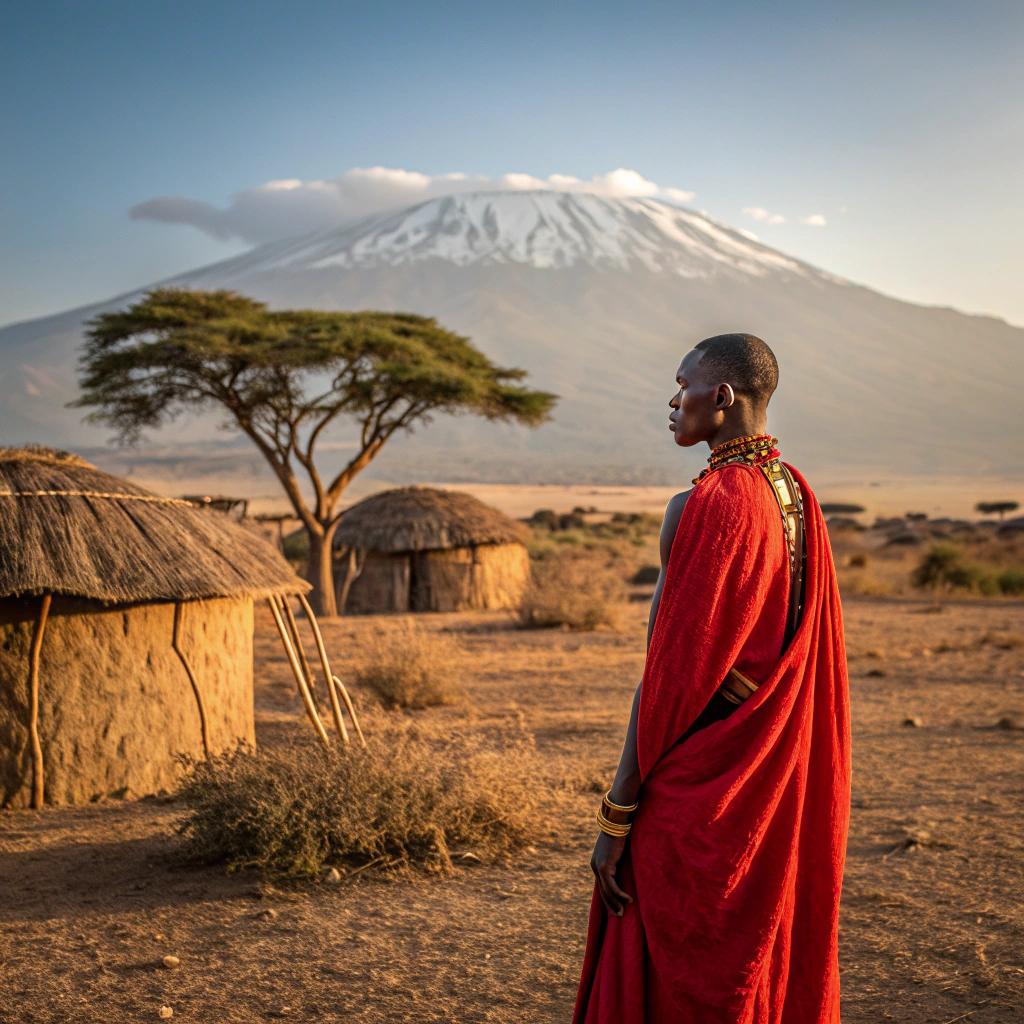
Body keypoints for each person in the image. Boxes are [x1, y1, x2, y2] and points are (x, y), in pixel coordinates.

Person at [571, 333, 852, 1023]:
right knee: (752, 951)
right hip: (768, 777)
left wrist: (617, 815)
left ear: (721, 396)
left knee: (671, 965)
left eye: (681, 385)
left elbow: (667, 679)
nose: (673, 402)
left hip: (701, 784)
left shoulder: (707, 504)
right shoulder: (795, 494)